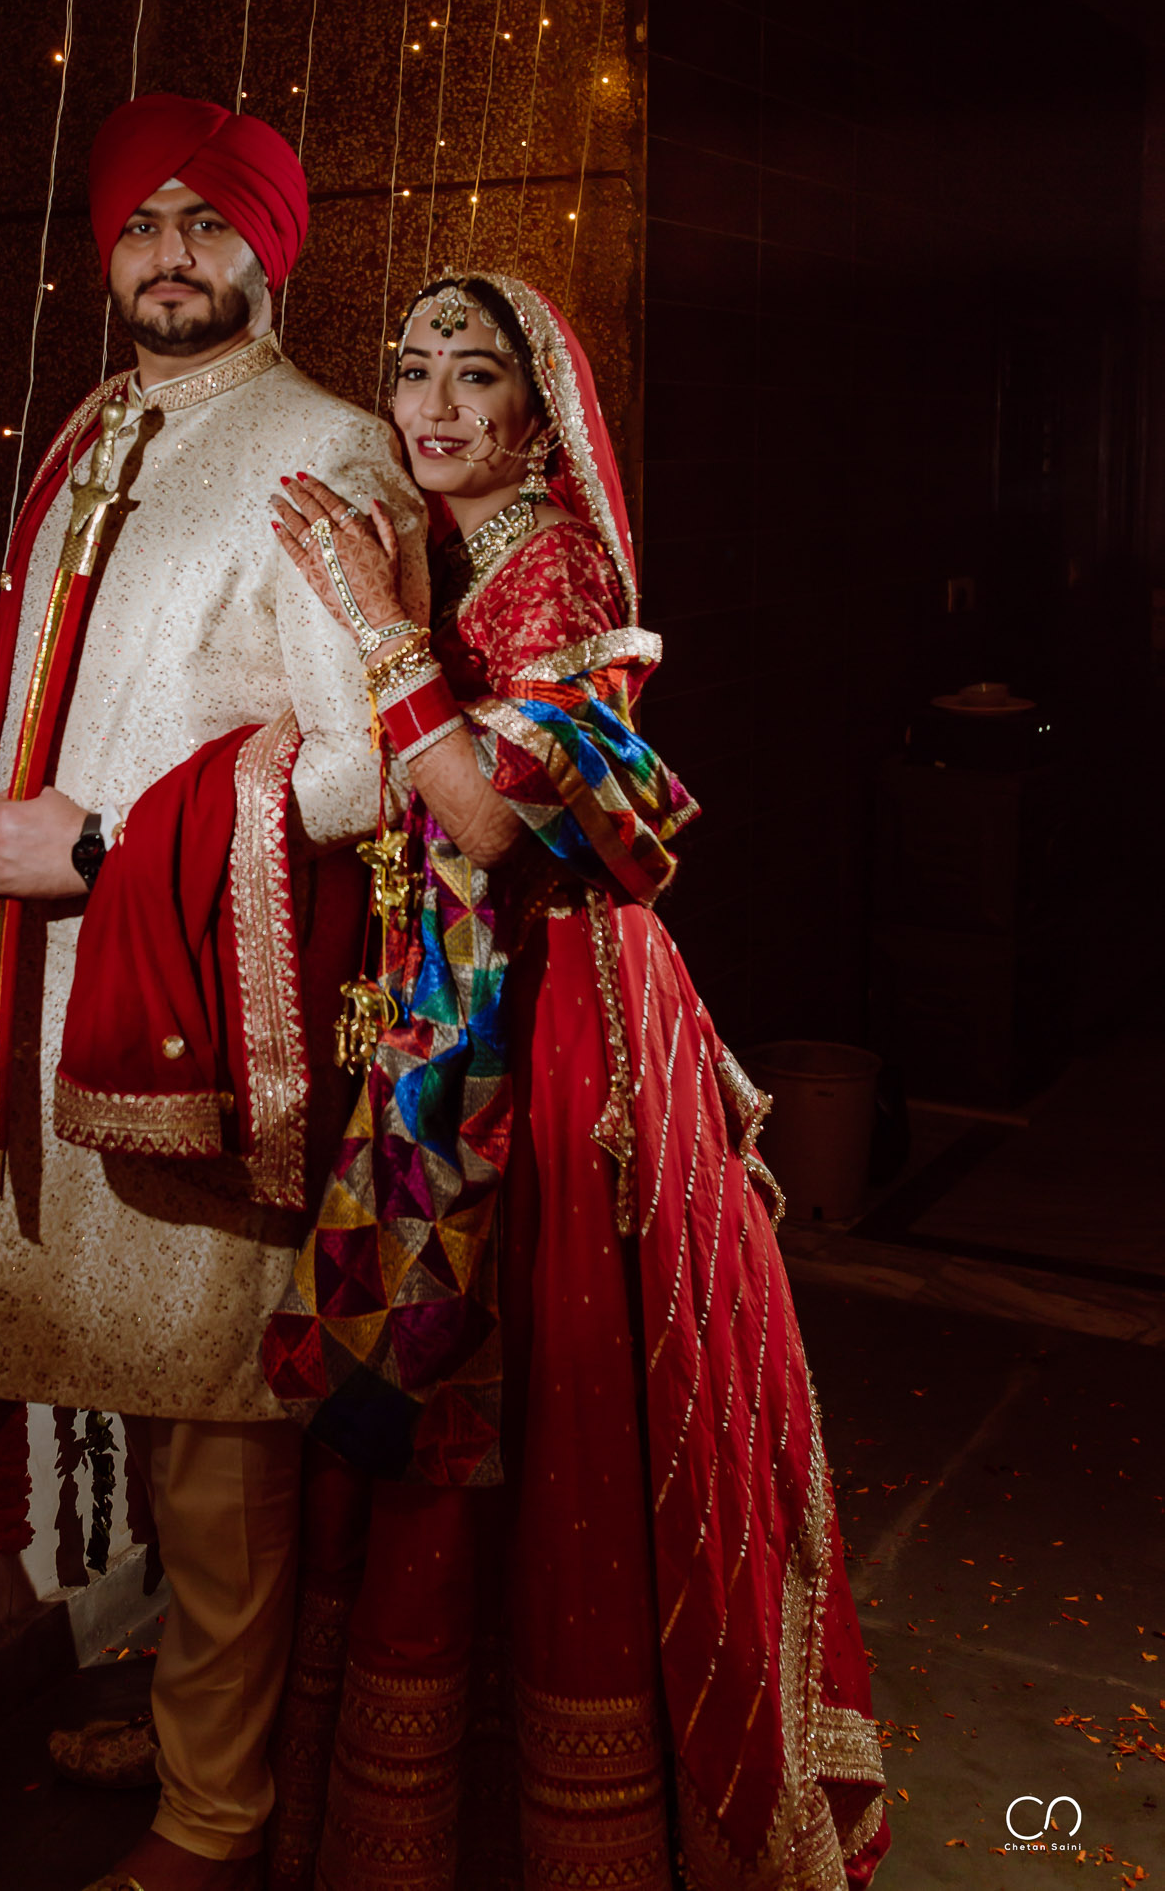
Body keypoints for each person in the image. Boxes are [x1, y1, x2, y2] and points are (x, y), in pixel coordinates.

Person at [258, 273, 889, 1891]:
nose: (432, 405)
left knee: (560, 1373)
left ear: (540, 419)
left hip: (557, 1021)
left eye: (475, 377)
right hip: (452, 1006)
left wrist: (378, 625)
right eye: (412, 369)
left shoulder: (560, 570)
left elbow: (484, 822)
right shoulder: (447, 546)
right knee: (461, 1364)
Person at [0, 93, 427, 1891]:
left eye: (208, 222)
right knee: (149, 1404)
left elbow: (372, 770)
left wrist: (101, 844)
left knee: (219, 1430)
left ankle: (218, 1818)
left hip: (217, 1001)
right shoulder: (91, 433)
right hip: (57, 993)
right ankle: (203, 1728)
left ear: (268, 250)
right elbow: (36, 697)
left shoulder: (330, 450)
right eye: (140, 223)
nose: (169, 255)